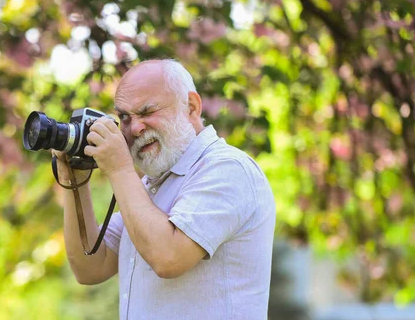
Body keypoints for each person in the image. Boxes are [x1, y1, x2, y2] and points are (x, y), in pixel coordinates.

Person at [53, 59, 276, 320]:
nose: (135, 128)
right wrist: (74, 181)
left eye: (147, 112)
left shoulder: (228, 168)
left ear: (191, 107)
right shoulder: (152, 185)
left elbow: (168, 257)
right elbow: (90, 266)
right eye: (124, 117)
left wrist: (120, 169)